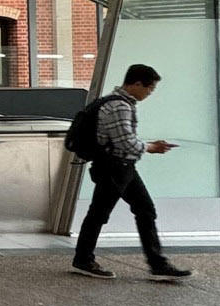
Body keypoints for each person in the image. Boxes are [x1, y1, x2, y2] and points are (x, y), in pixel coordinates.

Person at [72, 63, 193, 282]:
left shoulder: (114, 102)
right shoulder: (120, 106)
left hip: (121, 166)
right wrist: (150, 147)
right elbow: (125, 142)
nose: (150, 93)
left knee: (143, 210)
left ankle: (157, 263)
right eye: (150, 88)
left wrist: (147, 145)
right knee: (101, 213)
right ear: (137, 84)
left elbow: (122, 139)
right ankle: (84, 260)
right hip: (115, 167)